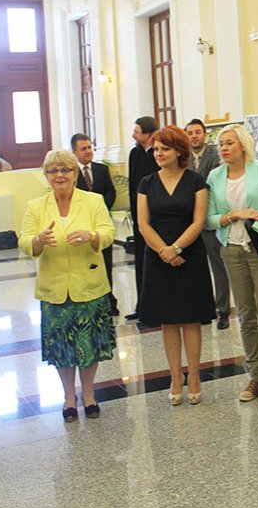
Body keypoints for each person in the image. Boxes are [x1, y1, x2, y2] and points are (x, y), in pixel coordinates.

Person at [19, 150, 117, 422]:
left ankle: (88, 393)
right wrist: (39, 239)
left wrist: (92, 235)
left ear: (75, 174)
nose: (59, 175)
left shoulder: (93, 201)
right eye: (53, 171)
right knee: (62, 346)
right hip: (55, 287)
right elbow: (24, 240)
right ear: (46, 176)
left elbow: (109, 232)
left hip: (89, 284)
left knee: (90, 343)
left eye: (65, 170)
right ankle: (68, 397)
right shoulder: (36, 206)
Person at [206, 124, 258, 404]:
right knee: (245, 313)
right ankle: (254, 375)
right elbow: (209, 218)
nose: (224, 148)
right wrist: (234, 215)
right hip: (231, 249)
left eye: (230, 143)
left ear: (242, 145)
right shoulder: (215, 176)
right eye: (221, 144)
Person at [137, 126, 215, 405]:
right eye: (156, 149)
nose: (158, 153)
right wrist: (164, 251)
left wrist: (177, 248)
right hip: (158, 256)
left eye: (164, 149)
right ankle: (174, 376)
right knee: (168, 320)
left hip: (189, 254)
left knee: (190, 319)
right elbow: (143, 223)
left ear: (179, 151)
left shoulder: (195, 180)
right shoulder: (146, 183)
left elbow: (198, 220)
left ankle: (194, 375)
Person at [187, 119, 231, 329]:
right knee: (196, 268)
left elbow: (211, 186)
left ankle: (223, 311)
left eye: (197, 132)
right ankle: (202, 308)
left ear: (205, 134)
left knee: (218, 266)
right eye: (190, 133)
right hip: (189, 221)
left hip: (211, 218)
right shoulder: (183, 157)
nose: (194, 136)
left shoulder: (216, 155)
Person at [71, 134, 119, 316]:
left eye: (90, 147)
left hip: (101, 224)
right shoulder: (71, 173)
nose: (88, 151)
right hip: (81, 225)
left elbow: (111, 192)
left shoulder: (101, 169)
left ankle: (109, 301)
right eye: (83, 148)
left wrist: (99, 210)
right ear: (74, 152)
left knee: (106, 263)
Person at [127, 116, 160, 321]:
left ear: (148, 134)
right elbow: (132, 187)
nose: (133, 135)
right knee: (140, 262)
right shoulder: (134, 154)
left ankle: (159, 306)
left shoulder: (158, 154)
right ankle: (143, 306)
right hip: (140, 220)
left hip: (156, 219)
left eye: (137, 132)